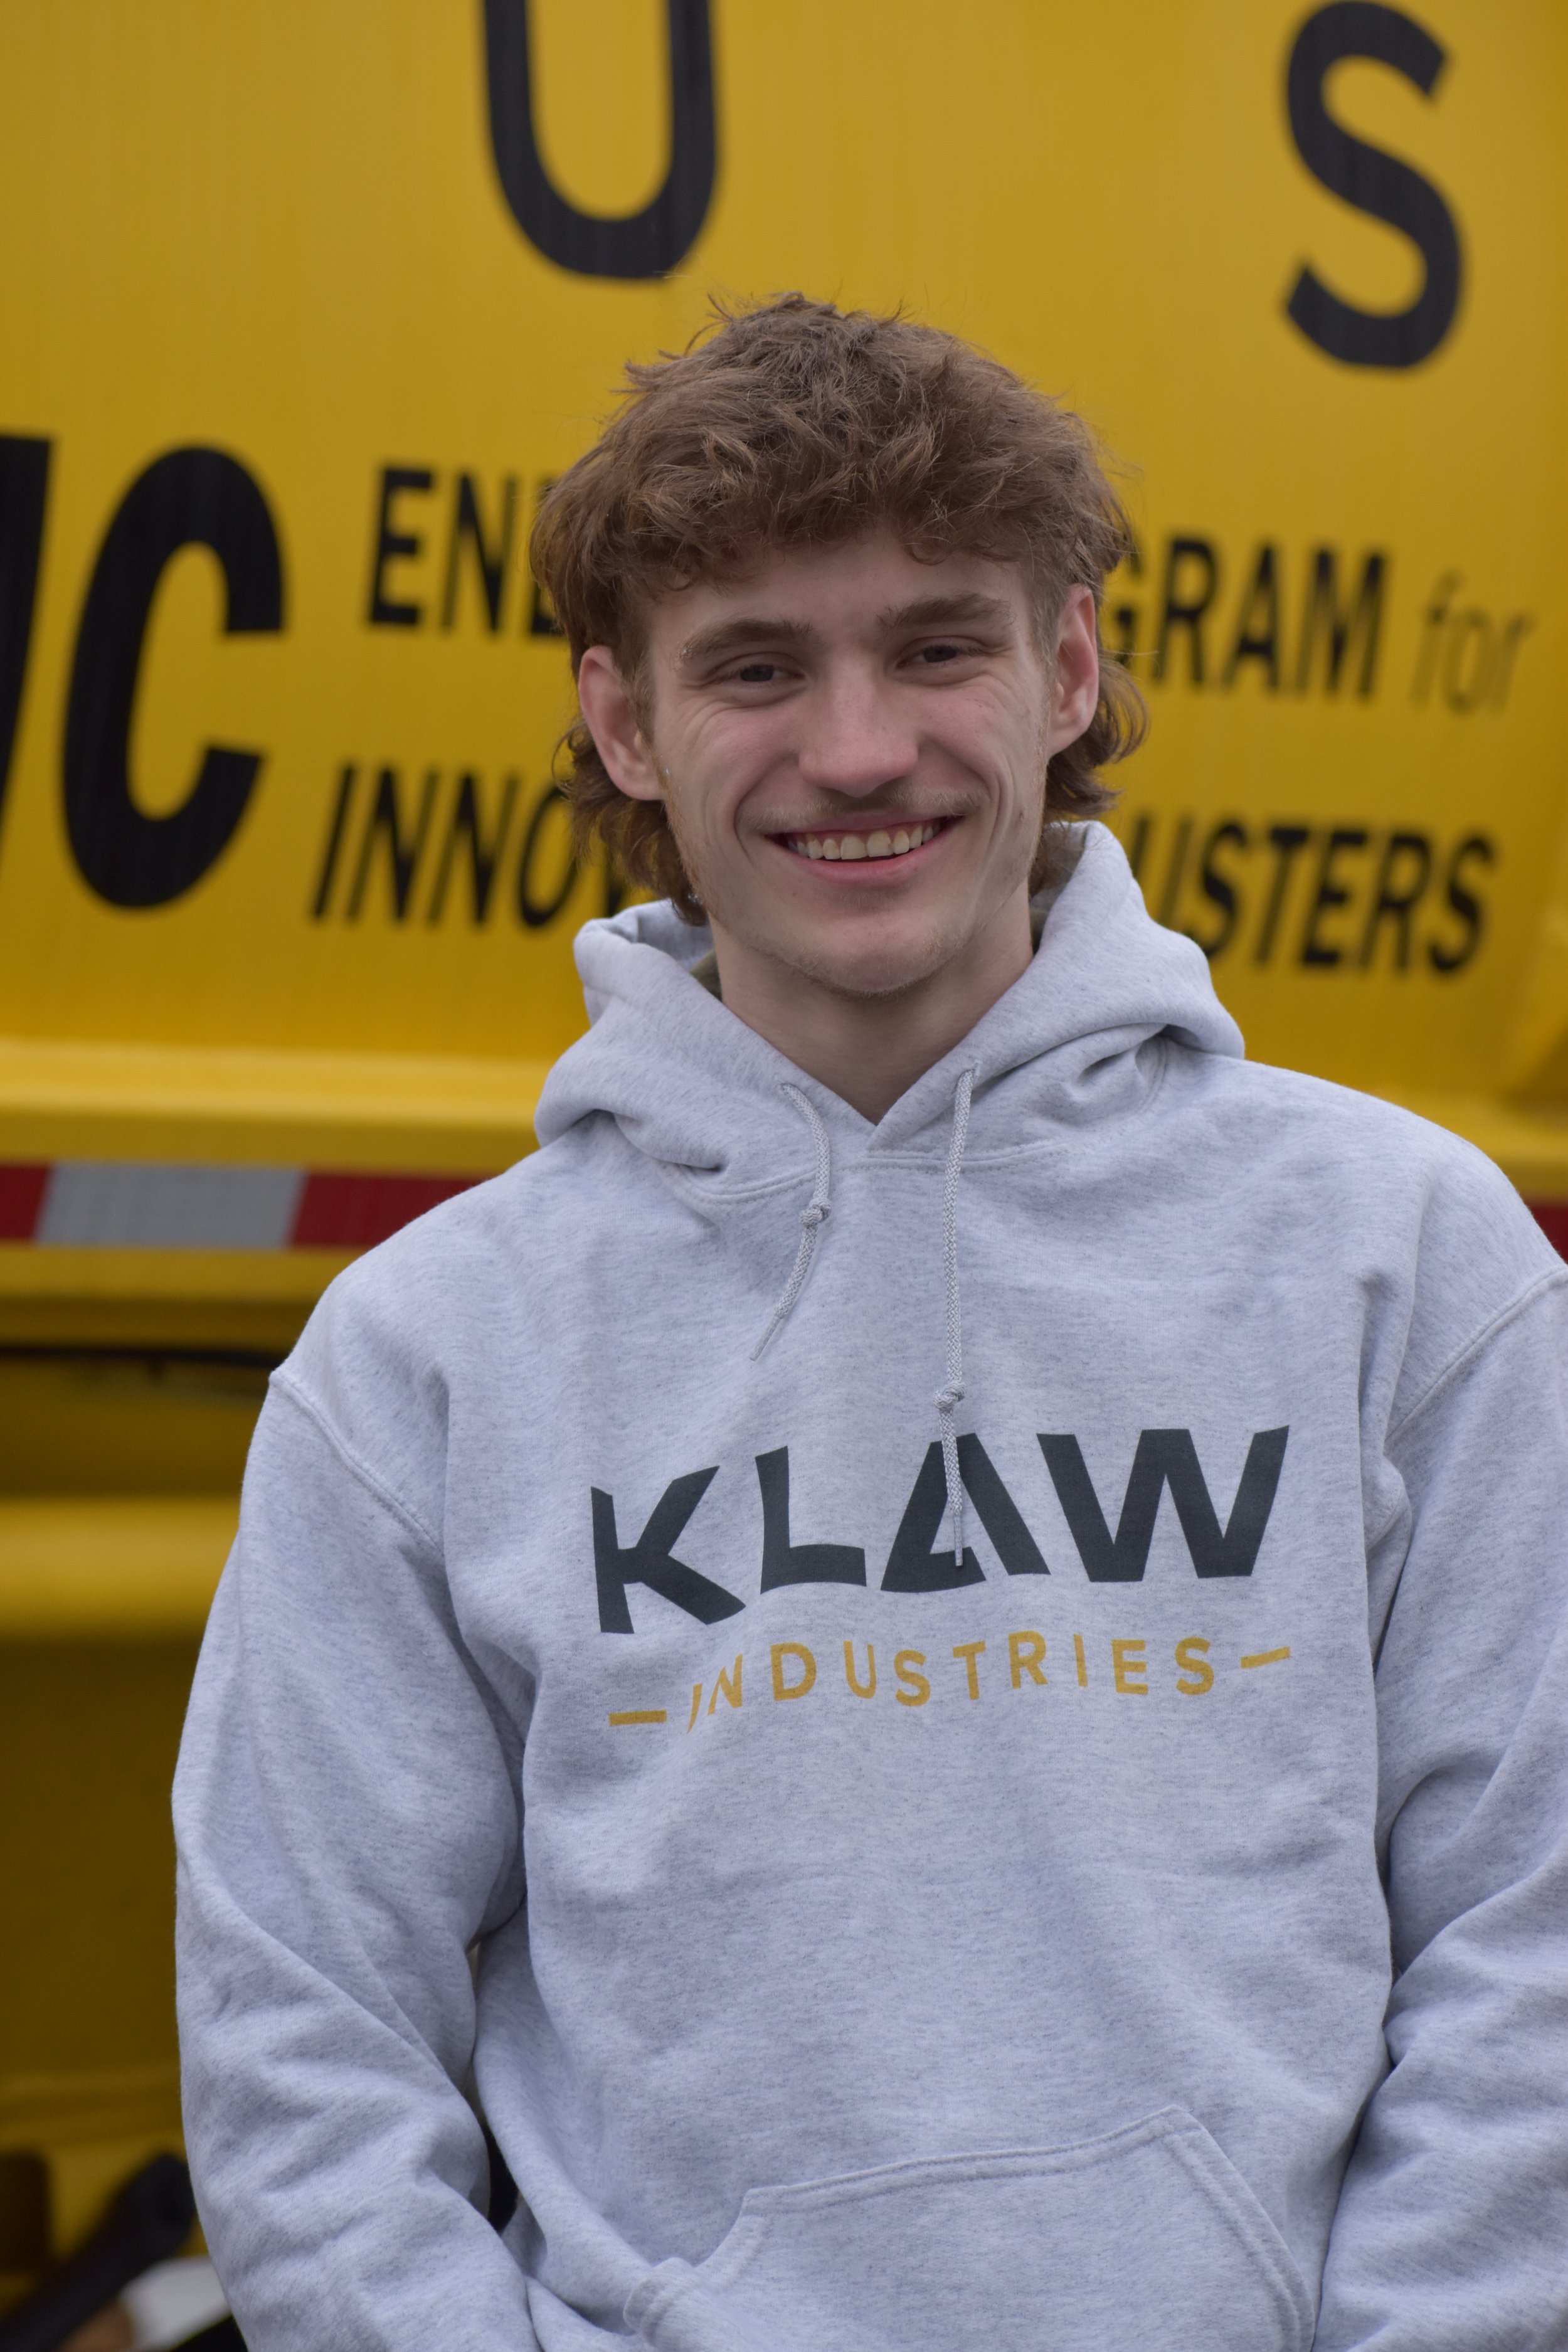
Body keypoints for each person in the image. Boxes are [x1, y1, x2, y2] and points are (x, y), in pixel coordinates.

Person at [174, 297, 1568, 2352]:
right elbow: (301, 2048)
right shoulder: (428, 1359)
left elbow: (1528, 1937)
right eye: (755, 667)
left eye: (937, 645)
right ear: (623, 725)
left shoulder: (1399, 1255)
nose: (855, 750)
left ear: (1068, 667)